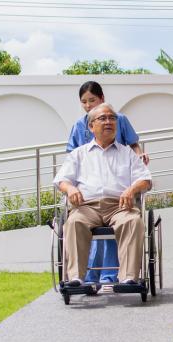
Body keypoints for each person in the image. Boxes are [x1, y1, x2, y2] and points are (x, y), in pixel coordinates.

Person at [54, 103, 152, 287]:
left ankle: (128, 278)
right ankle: (75, 278)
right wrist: (70, 189)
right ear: (91, 127)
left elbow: (145, 179)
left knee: (133, 222)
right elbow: (62, 180)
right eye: (103, 118)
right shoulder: (78, 154)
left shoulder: (127, 154)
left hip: (120, 206)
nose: (109, 122)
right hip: (87, 206)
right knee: (74, 223)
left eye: (112, 118)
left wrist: (132, 189)